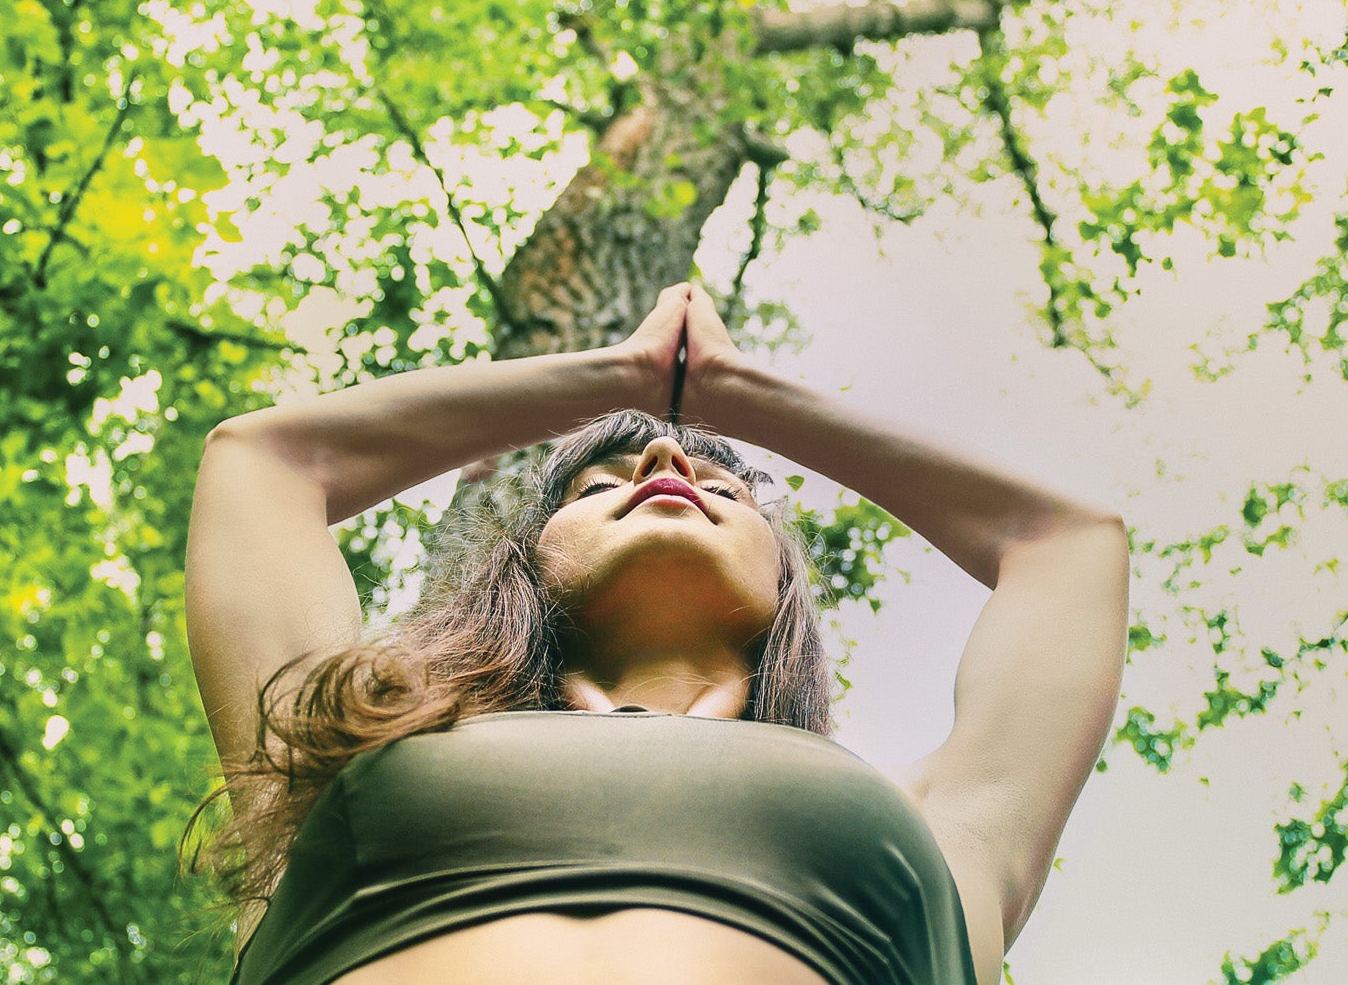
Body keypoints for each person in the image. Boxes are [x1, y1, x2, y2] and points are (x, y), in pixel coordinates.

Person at [185, 283, 1130, 984]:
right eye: (599, 488)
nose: (666, 460)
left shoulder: (941, 829)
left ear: (784, 586)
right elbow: (262, 463)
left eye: (725, 490)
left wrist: (725, 390)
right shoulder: (343, 749)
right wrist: (625, 381)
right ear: (528, 566)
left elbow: (1068, 544)